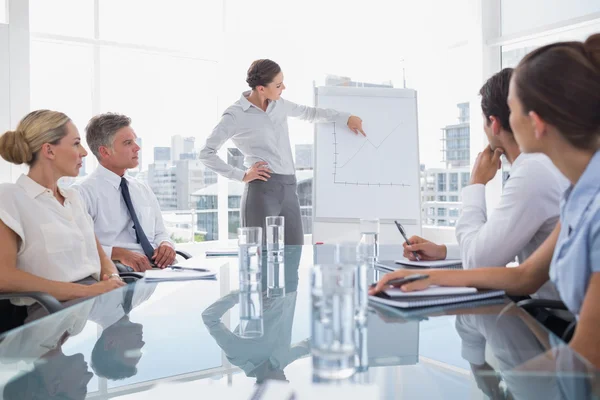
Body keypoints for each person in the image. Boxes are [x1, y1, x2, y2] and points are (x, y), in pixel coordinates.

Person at [371, 34, 600, 369]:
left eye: (514, 107)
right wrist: (427, 279)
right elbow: (525, 275)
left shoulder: (579, 196)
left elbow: (586, 358)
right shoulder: (578, 195)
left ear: (534, 123)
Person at [402, 68, 568, 302]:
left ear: (494, 123)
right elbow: (495, 247)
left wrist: (476, 184)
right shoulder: (545, 165)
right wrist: (444, 251)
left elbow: (477, 261)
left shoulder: (533, 172)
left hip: (552, 320)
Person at [199, 59, 366, 245]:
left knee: (295, 253)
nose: (283, 87)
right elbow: (206, 153)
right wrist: (241, 175)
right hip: (261, 190)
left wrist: (346, 117)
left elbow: (310, 113)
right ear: (261, 88)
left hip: (289, 188)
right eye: (278, 85)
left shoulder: (279, 104)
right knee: (258, 258)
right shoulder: (235, 115)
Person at [0, 110, 125, 311]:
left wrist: (113, 279)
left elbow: (101, 257)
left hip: (90, 308)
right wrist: (89, 292)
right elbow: (3, 277)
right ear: (49, 151)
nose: (84, 152)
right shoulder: (9, 197)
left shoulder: (73, 198)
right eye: (76, 143)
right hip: (48, 312)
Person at [75, 113, 176, 272]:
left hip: (157, 268)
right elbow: (78, 246)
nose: (137, 147)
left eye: (134, 141)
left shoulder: (142, 188)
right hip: (120, 272)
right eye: (128, 143)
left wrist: (166, 244)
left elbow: (160, 232)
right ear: (105, 151)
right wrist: (119, 253)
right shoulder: (82, 192)